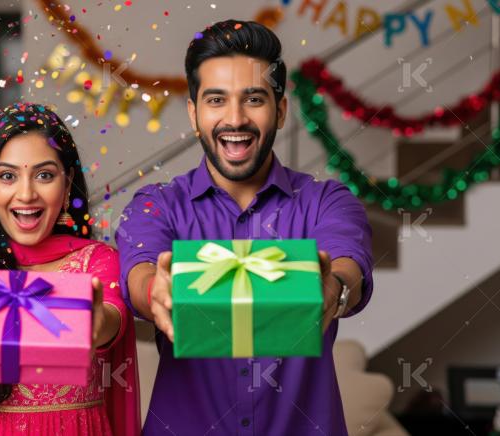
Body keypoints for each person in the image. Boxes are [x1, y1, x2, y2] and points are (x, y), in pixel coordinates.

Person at [117, 20, 373, 435]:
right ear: (194, 114)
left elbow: (348, 262)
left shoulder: (328, 201)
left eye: (253, 99)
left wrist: (336, 287)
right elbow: (140, 271)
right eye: (216, 100)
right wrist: (153, 292)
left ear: (281, 110)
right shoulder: (154, 206)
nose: (235, 119)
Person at [0, 103, 140, 435]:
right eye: (8, 176)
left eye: (44, 175)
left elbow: (110, 318)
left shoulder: (99, 261)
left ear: (67, 183)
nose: (26, 194)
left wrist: (95, 326)